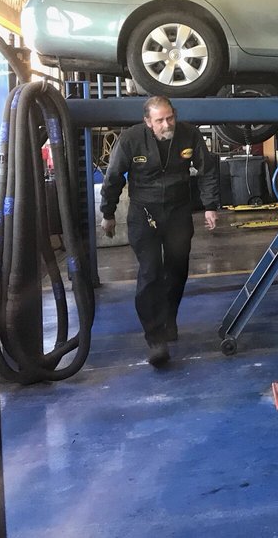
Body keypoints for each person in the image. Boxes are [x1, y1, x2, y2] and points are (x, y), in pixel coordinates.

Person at [100, 96, 219, 366]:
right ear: (147, 122)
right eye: (160, 120)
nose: (167, 124)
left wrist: (210, 206)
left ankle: (168, 319)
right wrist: (108, 213)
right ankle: (155, 338)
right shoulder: (131, 139)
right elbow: (114, 177)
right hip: (144, 214)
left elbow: (207, 170)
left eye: (170, 118)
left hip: (178, 212)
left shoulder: (189, 134)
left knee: (177, 270)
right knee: (150, 272)